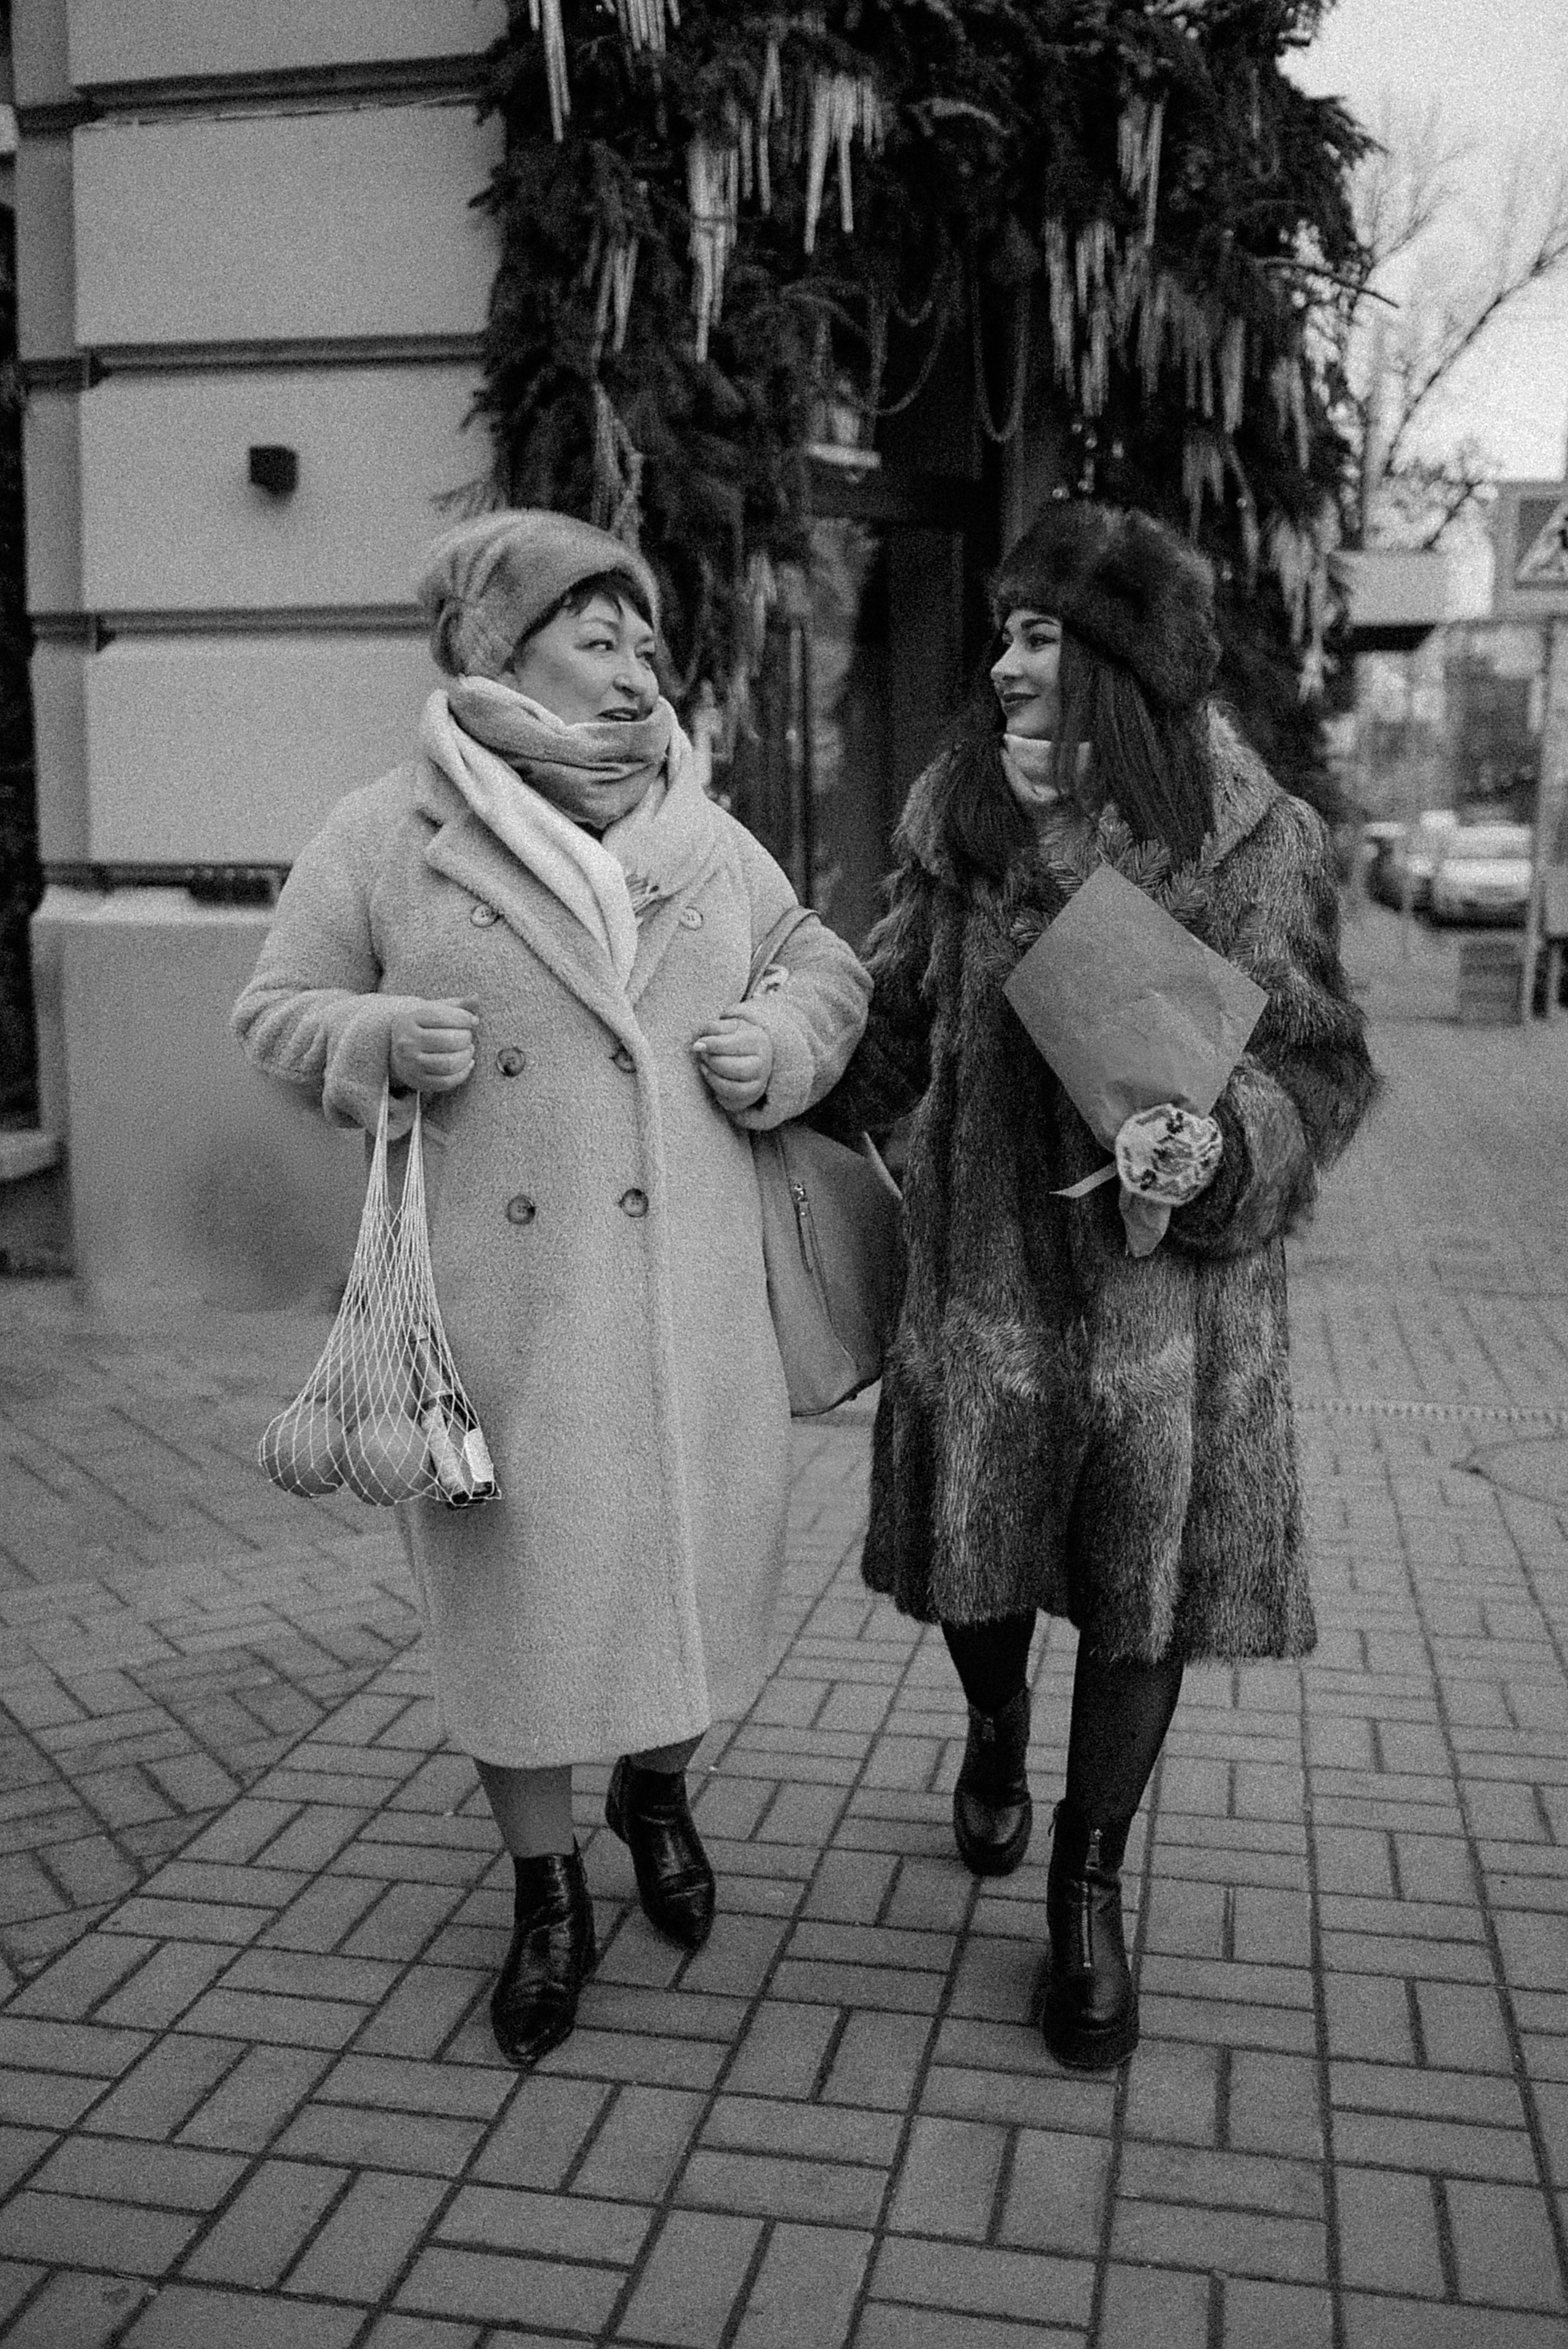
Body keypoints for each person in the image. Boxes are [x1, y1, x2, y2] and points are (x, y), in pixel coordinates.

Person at [233, 509, 869, 2068]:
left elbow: (821, 961)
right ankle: (544, 1894)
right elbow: (276, 1007)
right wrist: (370, 1038)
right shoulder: (389, 828)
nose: (636, 663)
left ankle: (655, 1794)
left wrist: (781, 1042)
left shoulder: (702, 829)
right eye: (598, 634)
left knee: (679, 1573)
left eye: (644, 639)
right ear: (492, 648)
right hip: (506, 1312)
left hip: (686, 1300)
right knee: (516, 1612)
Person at [821, 499, 1375, 2070]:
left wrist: (1226, 1145)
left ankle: (1087, 1886)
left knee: (1135, 1599)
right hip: (984, 1291)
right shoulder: (957, 811)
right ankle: (994, 1719)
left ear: (1120, 661)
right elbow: (892, 1005)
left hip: (1163, 1320)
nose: (1003, 663)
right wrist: (776, 1061)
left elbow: (1316, 1067)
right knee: (970, 1575)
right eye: (1001, 631)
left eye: (1039, 634)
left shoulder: (1249, 839)